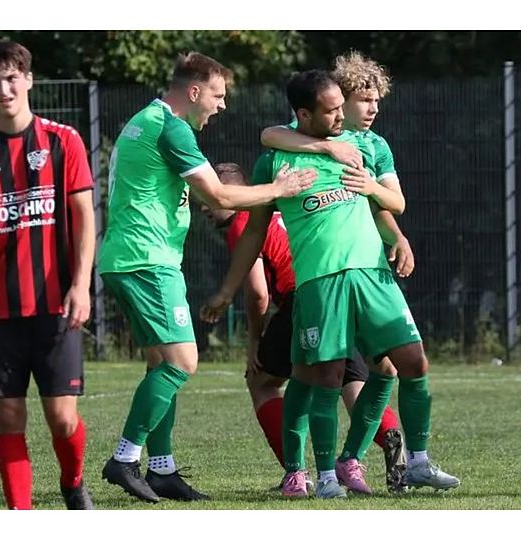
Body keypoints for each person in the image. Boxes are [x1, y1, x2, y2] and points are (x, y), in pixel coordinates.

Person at [201, 70, 460, 499]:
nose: (343, 116)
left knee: (412, 363)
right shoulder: (277, 161)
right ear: (303, 114)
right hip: (319, 284)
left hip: (374, 276)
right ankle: (321, 477)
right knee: (324, 376)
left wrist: (387, 215)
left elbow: (393, 202)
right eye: (332, 109)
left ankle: (416, 462)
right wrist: (227, 291)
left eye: (344, 106)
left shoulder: (362, 146)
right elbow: (253, 230)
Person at [96, 51, 314, 503]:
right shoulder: (171, 127)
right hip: (147, 260)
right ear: (193, 91)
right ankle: (124, 457)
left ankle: (162, 468)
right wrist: (279, 189)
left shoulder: (145, 119)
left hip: (129, 257)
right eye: (217, 94)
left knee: (162, 363)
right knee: (182, 362)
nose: (222, 105)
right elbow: (217, 193)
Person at [202, 162, 413, 493]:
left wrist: (254, 342)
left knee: (264, 380)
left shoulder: (244, 222)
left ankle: (296, 473)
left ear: (234, 193)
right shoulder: (283, 210)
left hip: (305, 299)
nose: (205, 203)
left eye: (211, 194)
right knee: (352, 381)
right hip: (343, 289)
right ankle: (389, 438)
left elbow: (258, 294)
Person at [0, 40, 95, 510]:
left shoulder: (62, 141)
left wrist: (80, 284)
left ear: (29, 80)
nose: (3, 89)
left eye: (12, 78)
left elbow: (84, 217)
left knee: (62, 419)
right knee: (9, 418)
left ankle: (73, 482)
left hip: (55, 304)